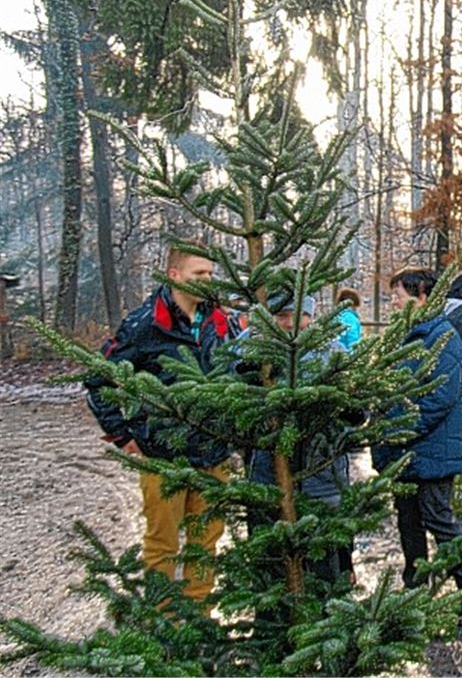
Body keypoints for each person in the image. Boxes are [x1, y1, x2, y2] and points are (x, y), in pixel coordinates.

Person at [85, 242, 231, 602]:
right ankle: (163, 624)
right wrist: (122, 435)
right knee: (162, 543)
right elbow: (98, 379)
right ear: (174, 274)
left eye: (211, 274)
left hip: (212, 453)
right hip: (163, 456)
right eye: (200, 274)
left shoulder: (219, 321)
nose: (207, 281)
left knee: (206, 543)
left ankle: (201, 620)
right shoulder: (144, 325)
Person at [371, 267, 462, 596]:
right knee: (408, 521)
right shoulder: (403, 336)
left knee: (439, 519)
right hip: (402, 449)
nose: (392, 303)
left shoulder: (442, 338)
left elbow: (440, 397)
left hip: (431, 447)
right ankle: (414, 587)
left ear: (421, 297)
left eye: (398, 296)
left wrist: (401, 429)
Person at [241, 294, 353, 583]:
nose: (290, 322)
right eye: (281, 315)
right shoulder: (252, 350)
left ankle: (328, 622)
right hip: (269, 480)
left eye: (297, 314)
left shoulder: (333, 352)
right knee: (271, 568)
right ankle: (270, 625)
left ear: (311, 316)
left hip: (322, 480)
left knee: (323, 568)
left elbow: (356, 411)